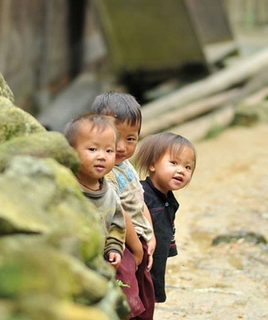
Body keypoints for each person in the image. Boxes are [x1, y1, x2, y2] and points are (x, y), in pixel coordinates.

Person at [91, 92, 156, 320]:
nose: (121, 146)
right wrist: (137, 247)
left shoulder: (126, 165)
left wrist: (150, 233)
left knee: (145, 295)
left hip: (139, 239)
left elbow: (139, 198)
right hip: (122, 243)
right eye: (115, 137)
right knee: (126, 296)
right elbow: (118, 212)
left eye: (131, 139)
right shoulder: (104, 172)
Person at [135, 132, 196, 303]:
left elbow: (168, 228)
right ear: (153, 164)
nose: (181, 170)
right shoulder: (140, 193)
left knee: (148, 302)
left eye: (188, 167)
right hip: (138, 263)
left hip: (156, 264)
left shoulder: (170, 200)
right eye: (174, 163)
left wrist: (169, 248)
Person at [63, 113, 126, 269]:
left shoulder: (110, 195)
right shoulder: (66, 188)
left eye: (109, 151)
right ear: (71, 151)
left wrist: (114, 248)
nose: (102, 156)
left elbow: (116, 226)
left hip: (98, 264)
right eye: (92, 149)